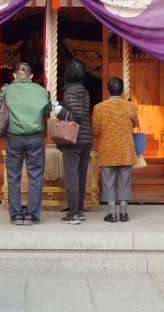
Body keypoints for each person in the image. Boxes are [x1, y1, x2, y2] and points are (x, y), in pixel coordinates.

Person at [0, 62, 52, 225]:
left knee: (13, 176)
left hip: (13, 137)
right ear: (31, 76)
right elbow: (47, 109)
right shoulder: (40, 90)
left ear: (14, 75)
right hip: (35, 137)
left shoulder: (7, 90)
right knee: (35, 176)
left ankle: (16, 214)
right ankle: (32, 214)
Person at [92, 76, 138, 223]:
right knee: (125, 180)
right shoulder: (131, 106)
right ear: (122, 90)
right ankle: (123, 212)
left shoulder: (99, 108)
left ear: (107, 90)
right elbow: (136, 124)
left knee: (108, 180)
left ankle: (112, 212)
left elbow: (96, 130)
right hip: (126, 148)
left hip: (108, 148)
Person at [58, 60, 94, 224]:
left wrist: (60, 110)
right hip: (86, 138)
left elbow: (76, 116)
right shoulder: (84, 90)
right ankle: (79, 210)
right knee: (81, 177)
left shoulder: (70, 90)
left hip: (74, 138)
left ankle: (73, 214)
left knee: (72, 177)